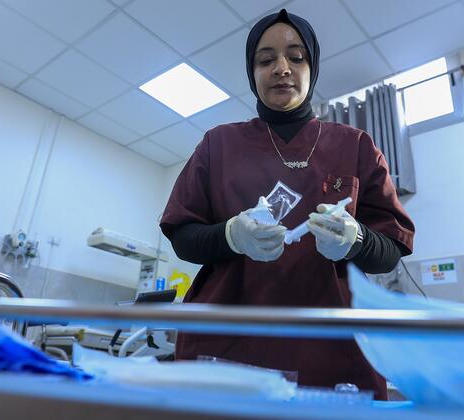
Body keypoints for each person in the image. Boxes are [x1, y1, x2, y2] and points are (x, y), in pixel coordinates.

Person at [160, 9, 414, 400]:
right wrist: (231, 236)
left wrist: (357, 239)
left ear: (312, 68)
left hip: (332, 350)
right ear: (252, 72)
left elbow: (389, 250)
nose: (282, 68)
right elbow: (184, 235)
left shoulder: (356, 146)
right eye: (266, 59)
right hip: (227, 344)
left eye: (296, 57)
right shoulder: (218, 144)